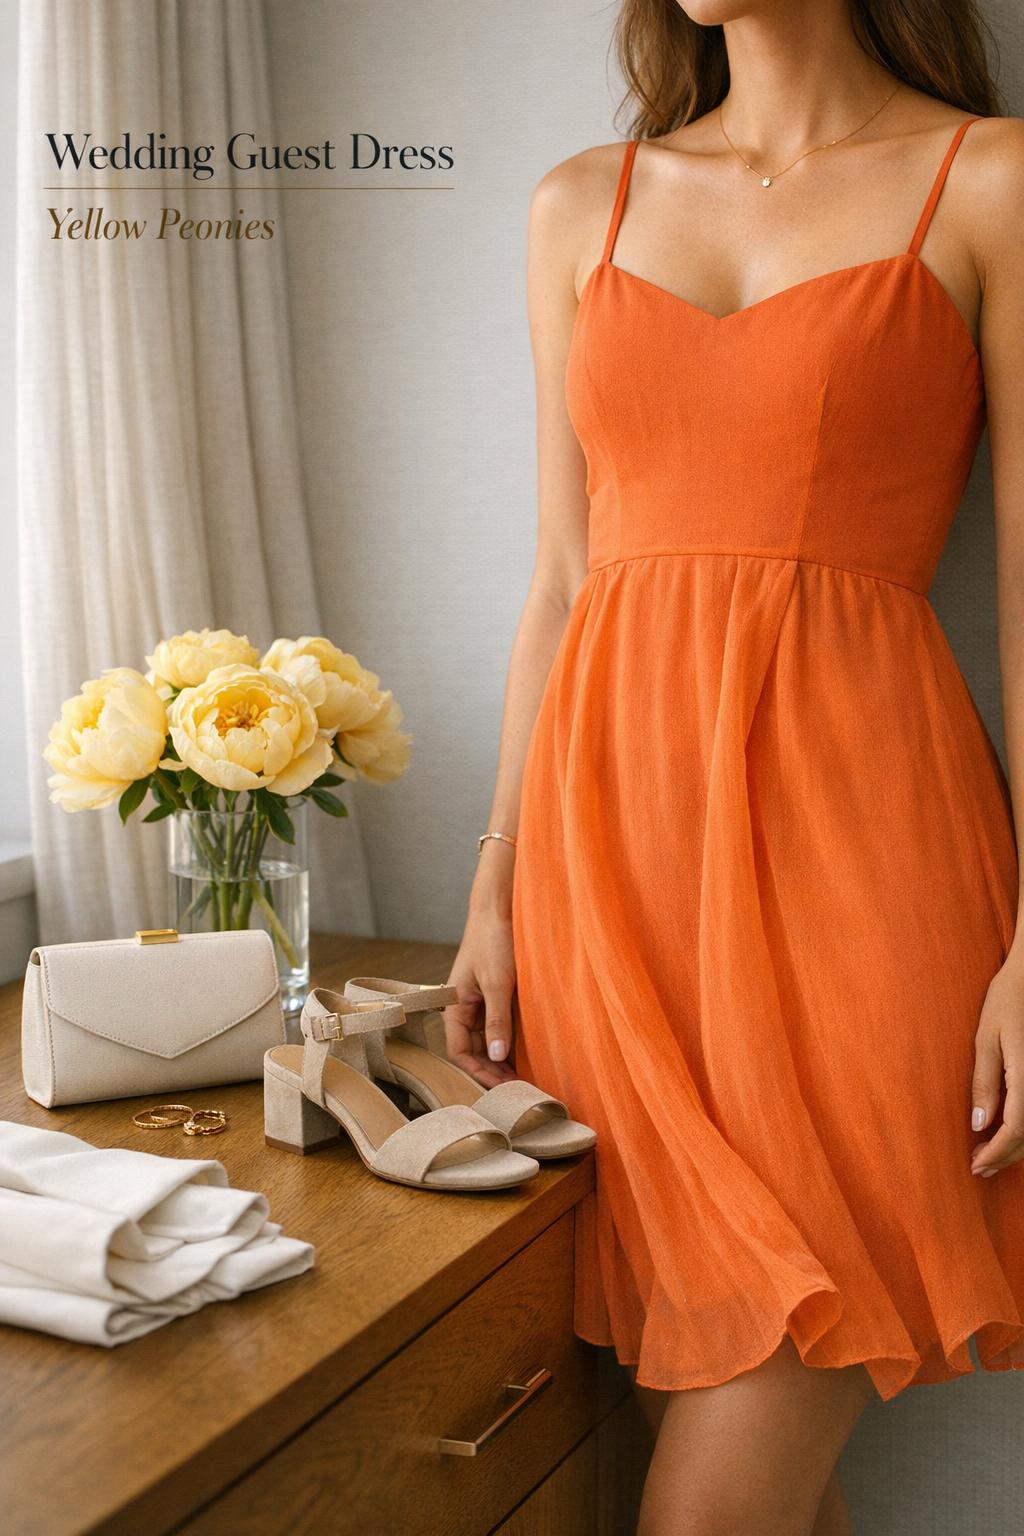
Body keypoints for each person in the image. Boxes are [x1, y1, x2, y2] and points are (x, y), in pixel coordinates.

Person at [441, 3, 1024, 1532]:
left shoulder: (988, 181)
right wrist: (496, 881)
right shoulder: (584, 200)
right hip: (609, 872)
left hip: (867, 859)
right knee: (744, 1464)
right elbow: (564, 580)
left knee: (708, 1506)